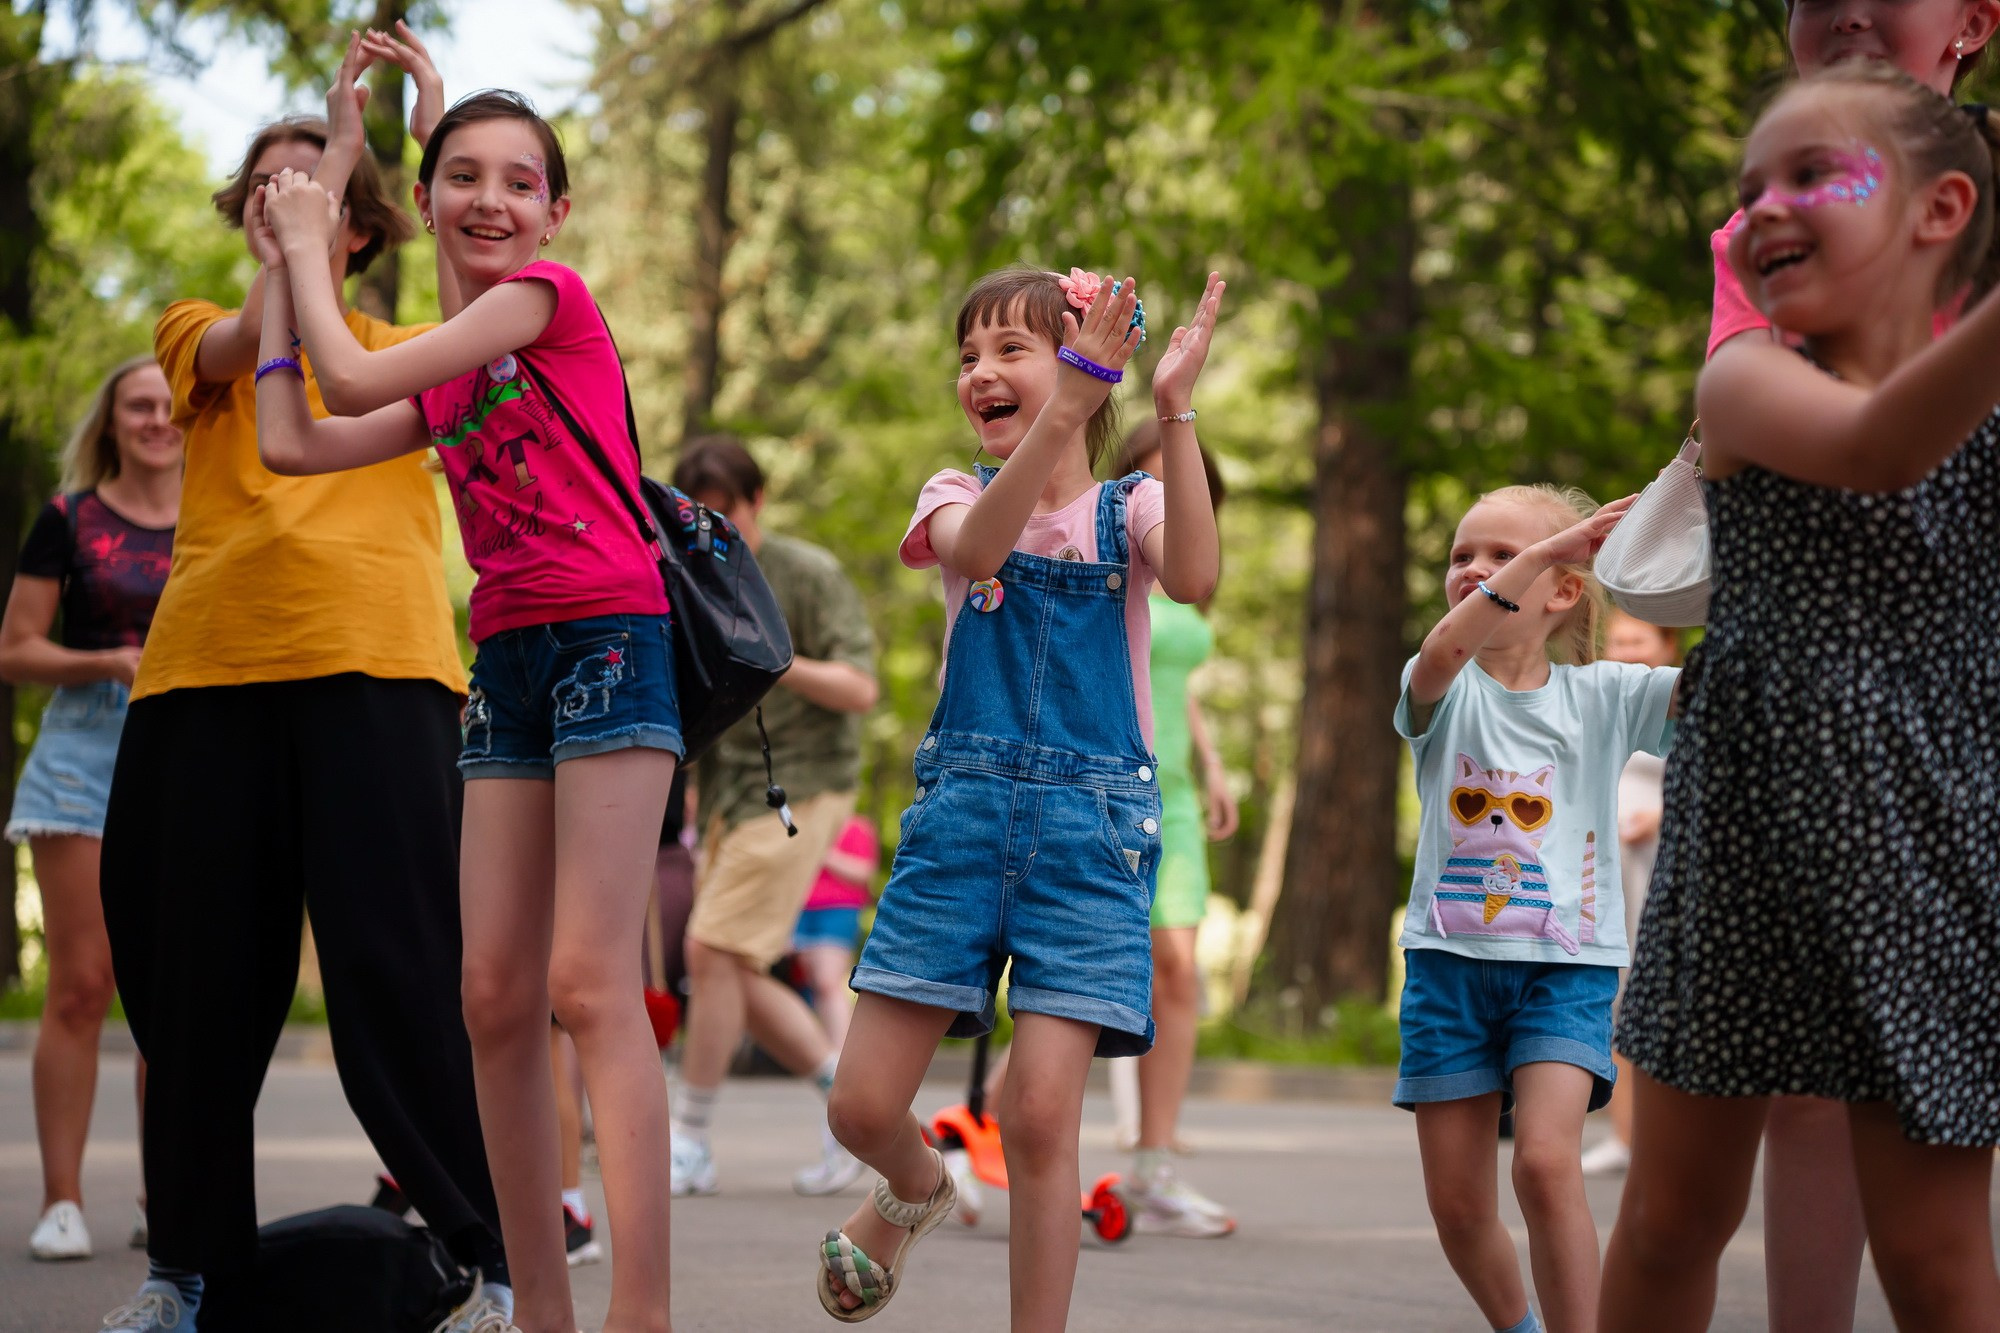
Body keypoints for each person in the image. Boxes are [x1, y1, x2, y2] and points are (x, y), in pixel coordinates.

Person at [95, 40, 511, 1333]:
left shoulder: (397, 350)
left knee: (407, 980)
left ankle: (494, 1263)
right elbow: (244, 348)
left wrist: (374, 148)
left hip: (382, 680)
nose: (293, 205)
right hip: (204, 683)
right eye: (270, 190)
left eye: (319, 192)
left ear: (362, 227)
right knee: (198, 995)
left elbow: (469, 327)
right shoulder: (189, 336)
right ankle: (187, 1274)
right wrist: (305, 208)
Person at [257, 87, 681, 1333]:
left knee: (589, 986)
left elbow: (347, 368)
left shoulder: (552, 301)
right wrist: (295, 273)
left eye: (516, 180)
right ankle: (535, 1307)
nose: (488, 199)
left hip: (610, 639)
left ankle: (638, 1317)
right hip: (504, 664)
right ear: (432, 197)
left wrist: (303, 240)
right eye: (461, 176)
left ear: (556, 212)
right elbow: (293, 433)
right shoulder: (455, 371)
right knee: (491, 994)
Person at [1602, 64, 2000, 1333]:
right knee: (1669, 1223)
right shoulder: (1746, 380)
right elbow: (1880, 445)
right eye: (1746, 187)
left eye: (1809, 175)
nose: (1760, 208)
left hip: (1930, 851)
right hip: (1747, 843)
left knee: (1937, 1262)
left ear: (1939, 211)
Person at [815, 265, 1225, 1328]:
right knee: (861, 1104)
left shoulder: (1127, 506)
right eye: (967, 356)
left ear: (1084, 366)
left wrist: (1169, 405)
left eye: (1010, 351)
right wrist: (1069, 406)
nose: (980, 373)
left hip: (1088, 850)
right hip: (958, 833)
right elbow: (983, 548)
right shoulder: (953, 495)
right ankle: (914, 1185)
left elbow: (1194, 575)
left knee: (1042, 1121)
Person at [1394, 484, 1675, 1333]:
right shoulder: (1438, 685)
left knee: (1547, 1166)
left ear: (1564, 594)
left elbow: (1730, 691)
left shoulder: (1607, 696)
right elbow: (1446, 649)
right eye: (1462, 555)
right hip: (1447, 971)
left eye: (1503, 553)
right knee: (1457, 1206)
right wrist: (1546, 549)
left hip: (1569, 967)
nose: (1475, 570)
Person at [665, 435, 880, 1201]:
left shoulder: (806, 573)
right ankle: (859, 1112)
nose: (714, 532)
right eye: (699, 518)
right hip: (726, 800)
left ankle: (689, 1137)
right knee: (728, 965)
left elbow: (861, 687)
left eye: (727, 515)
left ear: (756, 504)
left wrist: (776, 657)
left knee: (711, 947)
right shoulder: (689, 577)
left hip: (806, 786)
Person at [3, 359, 179, 1264]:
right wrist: (106, 662)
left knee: (174, 994)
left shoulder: (225, 514)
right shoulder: (67, 519)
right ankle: (62, 1200)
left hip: (189, 755)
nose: (157, 418)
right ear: (112, 422)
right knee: (82, 984)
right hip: (82, 757)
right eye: (138, 405)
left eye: (169, 403)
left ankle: (168, 1196)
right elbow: (16, 649)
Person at [1103, 424, 1237, 1238]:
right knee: (1103, 971)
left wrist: (1215, 762)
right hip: (1110, 784)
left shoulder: (1191, 564)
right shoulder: (1109, 548)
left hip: (1178, 794)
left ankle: (1153, 1167)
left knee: (1178, 970)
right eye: (1148, 479)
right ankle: (987, 1121)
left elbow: (1175, 674)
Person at [1577, 612, 1679, 1179]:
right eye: (1617, 641)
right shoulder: (1599, 701)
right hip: (1605, 867)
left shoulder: (1685, 701)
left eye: (1639, 640)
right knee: (1615, 992)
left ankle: (1665, 1141)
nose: (1626, 650)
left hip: (1661, 863)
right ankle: (1624, 1135)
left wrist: (1662, 814)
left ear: (1666, 643)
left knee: (1655, 989)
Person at [790, 814, 882, 1056]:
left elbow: (864, 872)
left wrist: (823, 853)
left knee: (827, 982)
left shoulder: (857, 827)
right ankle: (827, 1051)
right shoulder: (803, 824)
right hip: (800, 909)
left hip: (838, 910)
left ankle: (842, 1053)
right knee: (810, 984)